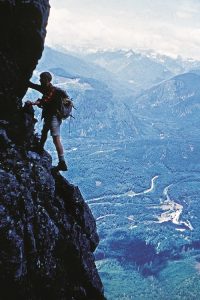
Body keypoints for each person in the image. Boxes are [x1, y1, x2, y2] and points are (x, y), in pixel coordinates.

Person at [28, 71, 68, 171]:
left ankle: (62, 163)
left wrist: (34, 103)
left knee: (56, 139)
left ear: (46, 80)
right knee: (44, 132)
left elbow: (45, 100)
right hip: (49, 116)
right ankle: (40, 148)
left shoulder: (53, 91)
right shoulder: (46, 88)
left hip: (54, 117)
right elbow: (34, 86)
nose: (40, 80)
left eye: (41, 79)